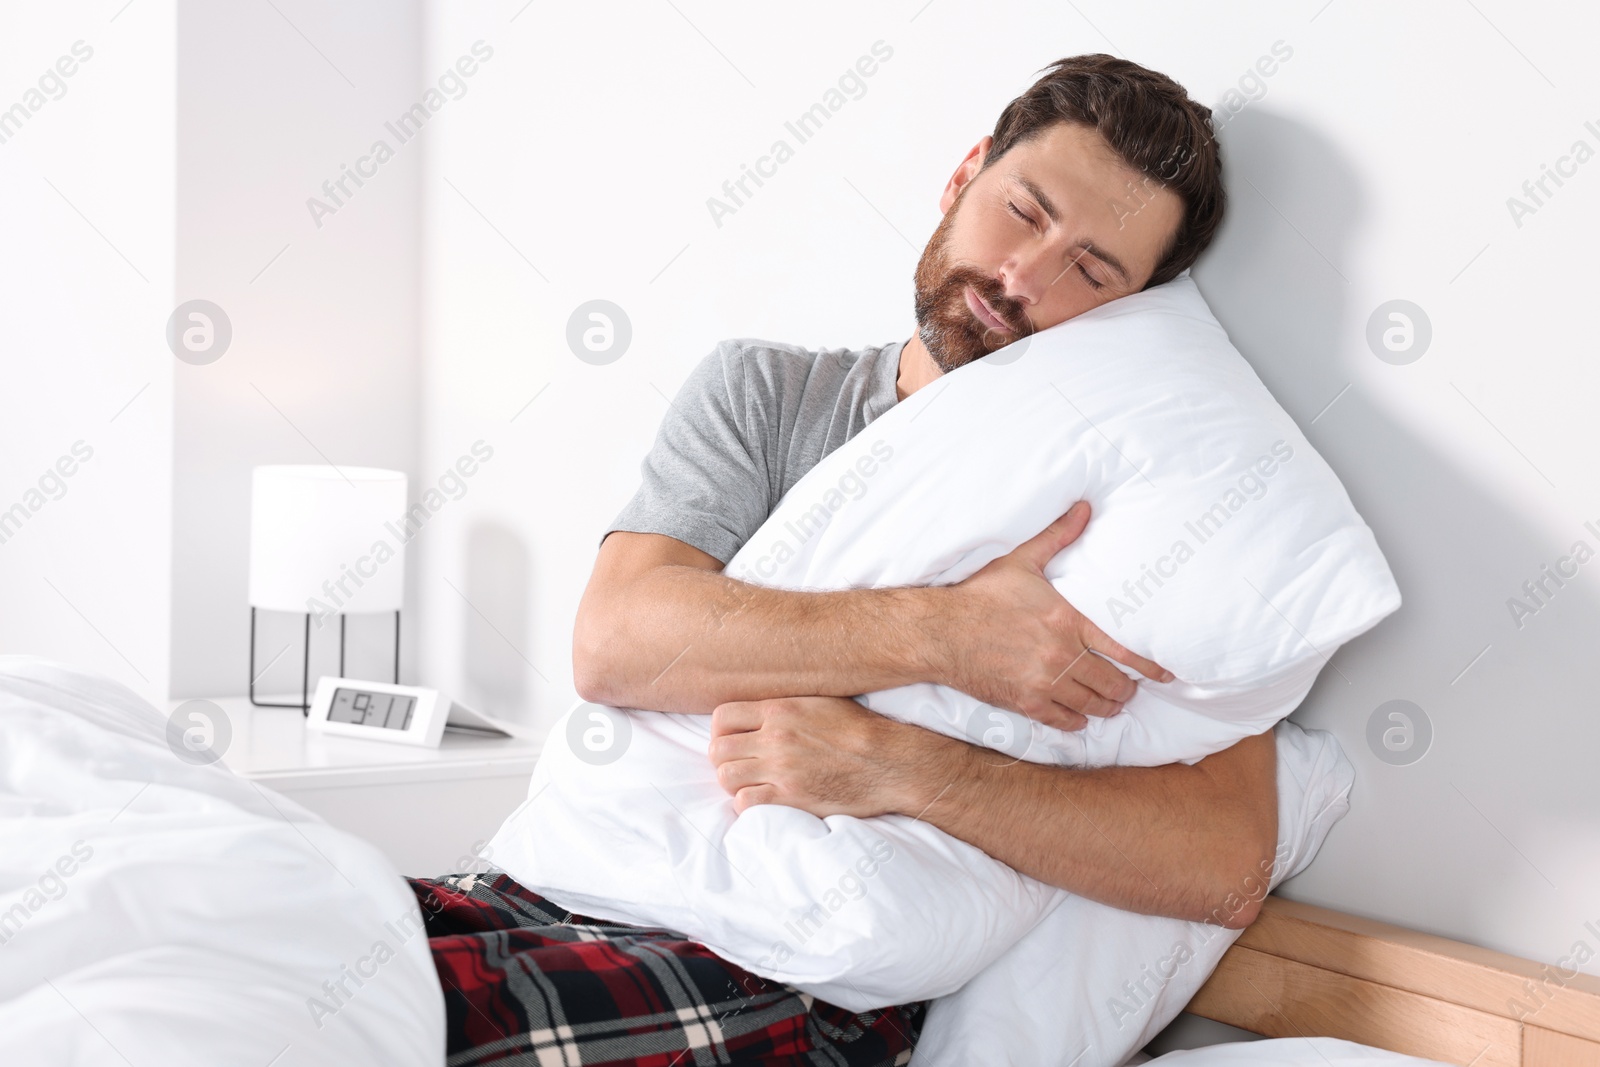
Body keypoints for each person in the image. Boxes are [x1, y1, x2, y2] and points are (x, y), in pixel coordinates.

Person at [409, 54, 1274, 1067]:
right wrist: (946, 635)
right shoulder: (767, 395)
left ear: (1126, 315)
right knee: (258, 942)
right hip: (533, 886)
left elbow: (1220, 860)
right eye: (1023, 211)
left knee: (409, 1024)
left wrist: (902, 766)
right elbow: (614, 641)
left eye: (1090, 270)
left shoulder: (1131, 510)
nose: (1021, 278)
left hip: (773, 977)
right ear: (963, 176)